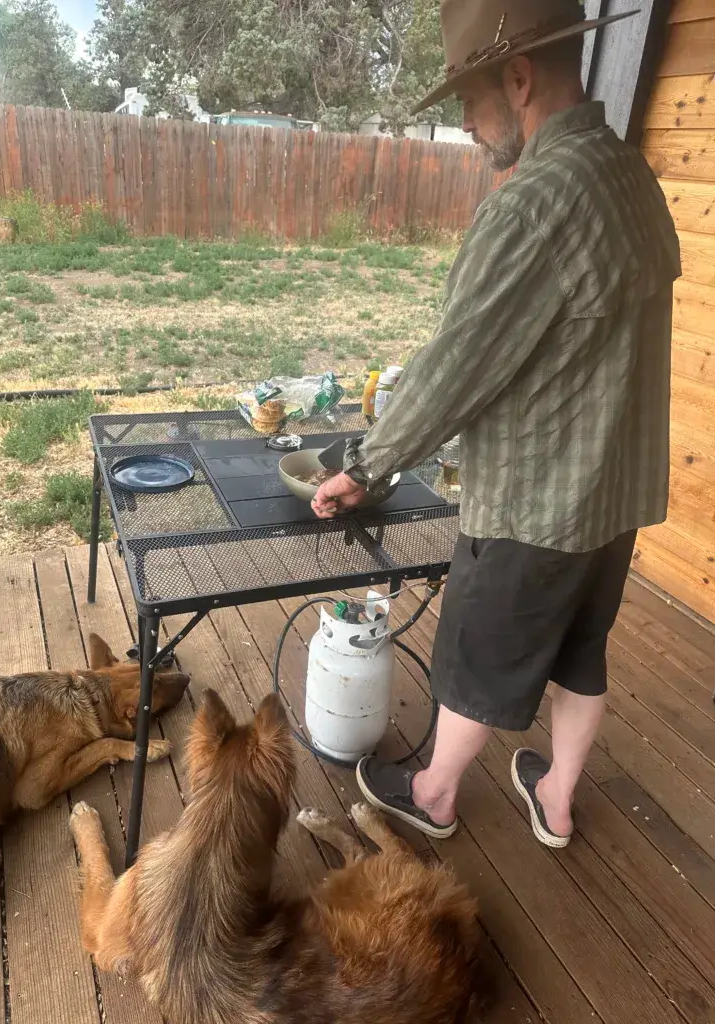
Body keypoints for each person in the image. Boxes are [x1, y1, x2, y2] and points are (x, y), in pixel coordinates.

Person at [311, 0, 681, 849]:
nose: (468, 127)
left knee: (477, 653)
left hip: (539, 500)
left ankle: (433, 795)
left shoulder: (533, 206)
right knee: (581, 651)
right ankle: (555, 797)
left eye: (467, 103)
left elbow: (454, 368)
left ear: (517, 78)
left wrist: (367, 466)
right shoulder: (630, 172)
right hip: (619, 491)